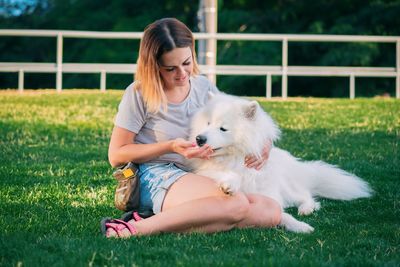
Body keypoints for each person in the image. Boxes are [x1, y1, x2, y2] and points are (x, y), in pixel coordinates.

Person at [102, 18, 282, 238]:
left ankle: (169, 219)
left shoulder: (202, 86)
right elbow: (116, 154)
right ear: (154, 65)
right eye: (170, 68)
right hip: (157, 175)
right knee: (236, 204)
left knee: (271, 211)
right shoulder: (138, 94)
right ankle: (134, 227)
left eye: (186, 63)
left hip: (196, 171)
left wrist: (265, 144)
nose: (182, 74)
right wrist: (170, 146)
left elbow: (238, 117)